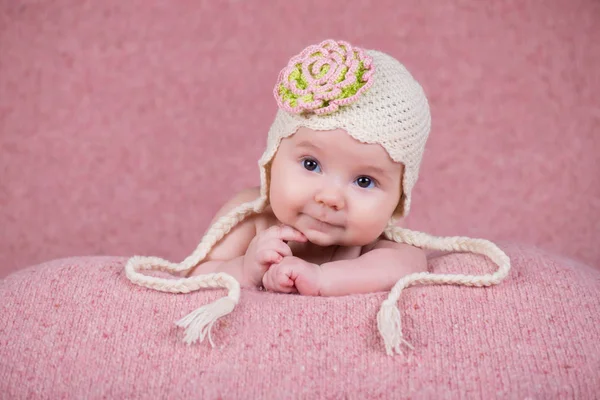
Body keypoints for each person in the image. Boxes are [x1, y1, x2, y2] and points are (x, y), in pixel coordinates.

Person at [125, 39, 511, 355]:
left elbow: (408, 264)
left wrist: (323, 278)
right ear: (273, 161)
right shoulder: (250, 219)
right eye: (310, 164)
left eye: (363, 182)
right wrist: (246, 268)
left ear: (396, 201)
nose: (330, 198)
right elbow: (200, 275)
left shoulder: (376, 242)